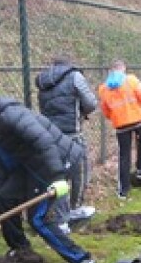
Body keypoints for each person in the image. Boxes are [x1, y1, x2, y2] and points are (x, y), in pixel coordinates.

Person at [0, 92, 98, 263]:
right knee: (4, 198)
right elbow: (2, 167)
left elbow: (44, 141)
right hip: (32, 166)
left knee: (38, 219)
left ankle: (82, 259)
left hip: (55, 162)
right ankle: (21, 250)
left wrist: (57, 176)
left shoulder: (10, 116)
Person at [35, 54, 98, 227]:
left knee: (57, 174)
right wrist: (82, 111)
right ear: (69, 64)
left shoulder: (43, 80)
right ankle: (74, 209)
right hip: (72, 133)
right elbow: (91, 103)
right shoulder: (74, 76)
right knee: (80, 170)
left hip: (50, 134)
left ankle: (55, 212)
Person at [97, 59, 141, 200]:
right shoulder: (131, 80)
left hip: (120, 124)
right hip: (137, 119)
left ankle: (123, 190)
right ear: (123, 68)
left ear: (111, 70)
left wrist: (116, 116)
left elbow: (106, 111)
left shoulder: (103, 88)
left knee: (124, 156)